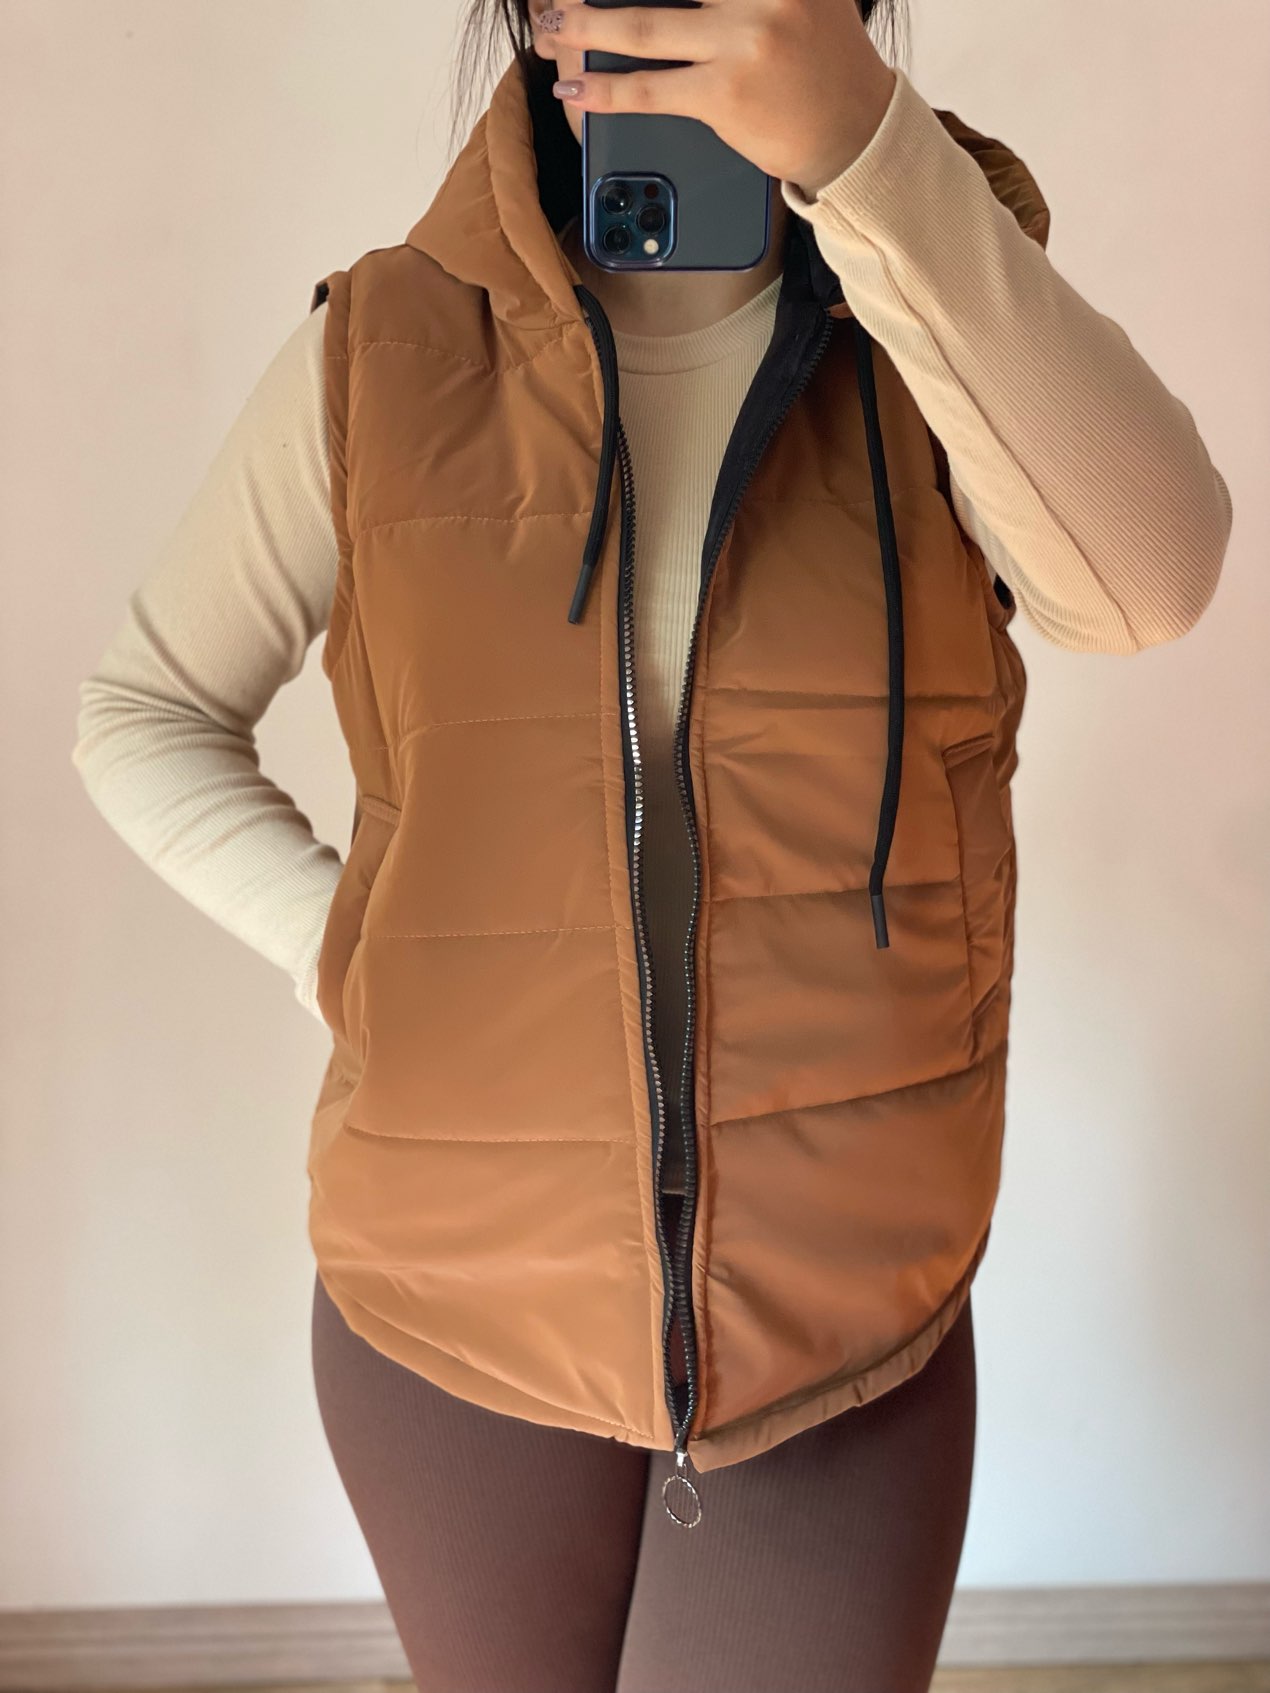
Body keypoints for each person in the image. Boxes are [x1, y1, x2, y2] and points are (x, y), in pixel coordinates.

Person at [71, 1, 1232, 1687]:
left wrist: (867, 153)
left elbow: (1149, 583)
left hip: (844, 1309)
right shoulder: (385, 349)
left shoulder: (934, 318)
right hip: (453, 1293)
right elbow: (144, 714)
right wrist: (368, 963)